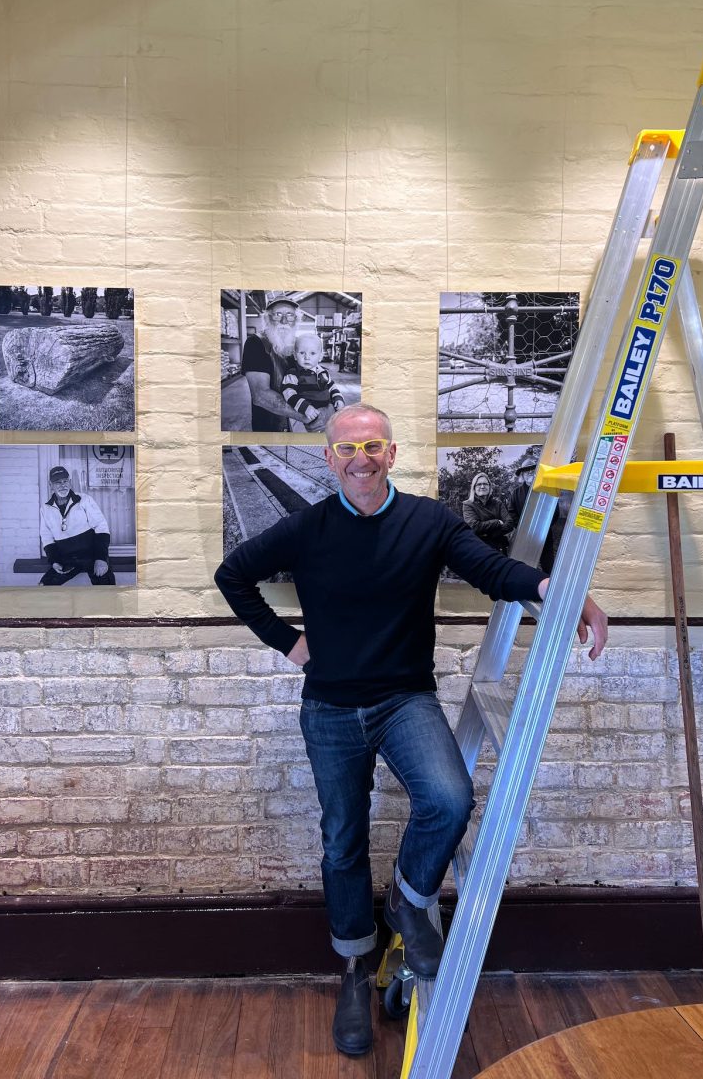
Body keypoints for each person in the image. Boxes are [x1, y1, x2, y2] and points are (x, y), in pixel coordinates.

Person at [214, 404, 607, 1058]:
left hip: (404, 700)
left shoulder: (427, 521)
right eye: (346, 449)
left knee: (450, 799)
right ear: (328, 457)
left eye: (372, 446)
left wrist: (560, 590)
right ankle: (354, 969)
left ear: (391, 454)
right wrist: (289, 644)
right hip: (331, 709)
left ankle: (408, 898)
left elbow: (490, 570)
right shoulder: (307, 529)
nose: (360, 458)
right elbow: (234, 575)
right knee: (341, 842)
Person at [241, 296, 316, 432]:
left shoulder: (300, 344)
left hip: (303, 424)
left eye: (290, 315)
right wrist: (305, 415)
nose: (284, 320)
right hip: (271, 426)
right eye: (278, 315)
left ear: (296, 319)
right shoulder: (256, 343)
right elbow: (260, 395)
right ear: (268, 318)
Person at [39, 465, 115, 586]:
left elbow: (101, 527)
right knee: (44, 585)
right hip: (67, 559)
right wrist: (54, 561)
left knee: (106, 589)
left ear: (69, 482)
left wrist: (101, 558)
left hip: (92, 555)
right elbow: (47, 537)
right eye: (58, 482)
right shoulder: (45, 509)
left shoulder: (84, 500)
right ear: (51, 485)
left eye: (65, 481)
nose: (62, 485)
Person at [282, 333, 345, 431]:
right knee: (305, 443)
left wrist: (338, 399)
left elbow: (332, 387)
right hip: (304, 416)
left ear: (320, 356)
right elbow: (288, 393)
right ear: (295, 355)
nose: (307, 357)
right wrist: (305, 408)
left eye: (312, 353)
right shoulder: (293, 374)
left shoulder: (323, 372)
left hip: (327, 415)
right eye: (302, 353)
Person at [461, 472, 516, 553]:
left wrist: (491, 533)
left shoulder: (498, 503)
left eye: (485, 484)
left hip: (500, 548)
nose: (482, 486)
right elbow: (474, 527)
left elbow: (510, 523)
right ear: (474, 488)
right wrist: (497, 522)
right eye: (479, 484)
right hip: (480, 549)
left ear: (489, 487)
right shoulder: (468, 505)